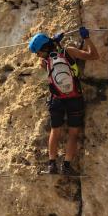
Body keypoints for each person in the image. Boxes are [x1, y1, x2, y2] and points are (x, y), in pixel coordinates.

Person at [28, 27, 99, 175]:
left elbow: (49, 57)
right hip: (75, 98)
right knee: (73, 133)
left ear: (43, 49)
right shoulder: (69, 52)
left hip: (57, 99)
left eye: (38, 52)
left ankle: (52, 165)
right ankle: (66, 166)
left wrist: (54, 40)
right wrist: (86, 38)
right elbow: (94, 56)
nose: (37, 56)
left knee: (55, 131)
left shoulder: (44, 61)